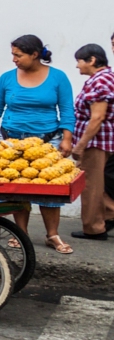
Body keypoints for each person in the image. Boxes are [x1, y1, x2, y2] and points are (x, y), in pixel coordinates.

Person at [0, 35, 76, 254]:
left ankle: (52, 234)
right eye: (13, 54)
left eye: (18, 55)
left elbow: (66, 110)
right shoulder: (6, 78)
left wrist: (67, 137)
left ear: (35, 54)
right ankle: (21, 233)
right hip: (11, 140)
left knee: (49, 189)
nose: (14, 59)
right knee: (18, 187)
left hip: (47, 141)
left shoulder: (58, 78)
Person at [70, 44, 114, 241]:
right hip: (97, 140)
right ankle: (107, 216)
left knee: (90, 185)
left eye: (79, 61)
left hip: (95, 141)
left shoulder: (101, 80)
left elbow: (97, 117)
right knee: (96, 184)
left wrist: (80, 145)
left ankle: (94, 228)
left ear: (92, 60)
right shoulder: (99, 79)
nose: (77, 66)